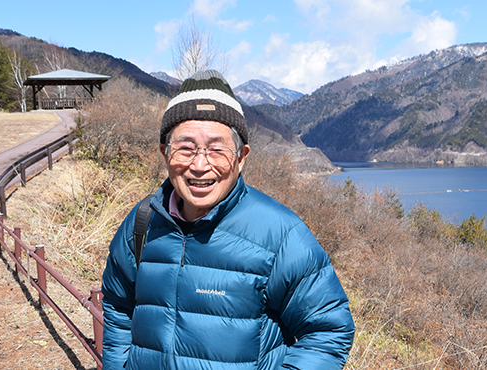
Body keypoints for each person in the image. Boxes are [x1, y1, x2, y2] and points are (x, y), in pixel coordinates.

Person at [101, 70, 354, 369]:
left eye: (216, 150)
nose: (199, 165)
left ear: (241, 156)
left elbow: (329, 330)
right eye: (185, 148)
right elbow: (118, 306)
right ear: (165, 153)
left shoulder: (280, 234)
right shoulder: (142, 223)